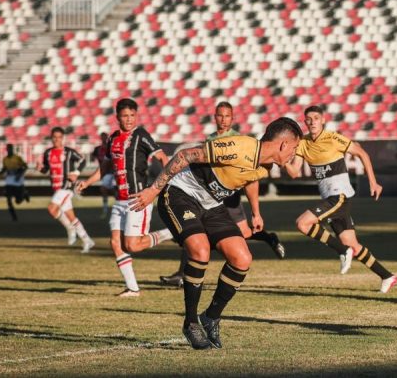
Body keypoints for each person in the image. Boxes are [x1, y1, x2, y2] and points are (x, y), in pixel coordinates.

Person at [128, 117, 303, 350]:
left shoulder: (266, 165)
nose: (294, 154)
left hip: (211, 204)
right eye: (294, 148)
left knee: (242, 258)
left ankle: (210, 317)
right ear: (283, 144)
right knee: (200, 250)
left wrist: (256, 212)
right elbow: (185, 156)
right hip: (181, 194)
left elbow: (251, 179)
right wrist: (153, 189)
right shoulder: (239, 147)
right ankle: (191, 322)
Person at [159, 101, 287, 288]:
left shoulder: (239, 140)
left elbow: (252, 176)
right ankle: (182, 273)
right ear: (215, 117)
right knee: (195, 231)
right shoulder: (210, 138)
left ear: (232, 118)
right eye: (220, 115)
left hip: (229, 195)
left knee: (242, 232)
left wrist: (255, 211)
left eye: (227, 116)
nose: (223, 119)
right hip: (207, 192)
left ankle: (268, 238)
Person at [283, 105, 397, 294]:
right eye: (308, 119)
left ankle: (342, 251)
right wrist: (282, 160)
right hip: (331, 198)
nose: (312, 122)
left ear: (323, 120)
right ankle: (387, 276)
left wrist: (373, 182)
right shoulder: (302, 143)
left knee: (302, 224)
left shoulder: (333, 138)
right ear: (304, 122)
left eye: (316, 118)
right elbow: (294, 172)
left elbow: (362, 153)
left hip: (339, 196)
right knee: (352, 244)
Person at [75, 98, 174, 297]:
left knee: (132, 245)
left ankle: (171, 232)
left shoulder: (141, 135)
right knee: (115, 243)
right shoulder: (112, 139)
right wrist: (87, 182)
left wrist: (161, 185)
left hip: (138, 198)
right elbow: (105, 167)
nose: (129, 120)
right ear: (117, 117)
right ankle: (133, 288)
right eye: (125, 116)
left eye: (132, 115)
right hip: (119, 200)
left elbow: (163, 158)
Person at [38, 127, 95, 252]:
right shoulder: (48, 153)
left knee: (51, 209)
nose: (57, 140)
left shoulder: (68, 152)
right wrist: (40, 169)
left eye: (59, 137)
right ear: (51, 138)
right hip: (56, 188)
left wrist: (76, 172)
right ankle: (87, 240)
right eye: (54, 137)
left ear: (63, 138)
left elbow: (83, 160)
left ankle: (71, 229)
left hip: (66, 187)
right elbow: (47, 170)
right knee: (70, 216)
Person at [0, 143, 29, 221]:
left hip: (18, 180)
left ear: (12, 149)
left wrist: (19, 174)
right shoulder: (5, 159)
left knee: (18, 201)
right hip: (9, 181)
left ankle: (24, 194)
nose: (9, 150)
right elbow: (4, 169)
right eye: (8, 148)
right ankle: (14, 216)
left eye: (11, 148)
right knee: (8, 199)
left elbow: (25, 167)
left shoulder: (17, 158)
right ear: (7, 149)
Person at [92, 132, 116, 219]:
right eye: (102, 137)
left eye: (105, 137)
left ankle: (106, 209)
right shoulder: (98, 149)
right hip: (103, 172)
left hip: (111, 172)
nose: (104, 139)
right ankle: (110, 207)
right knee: (110, 190)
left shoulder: (111, 148)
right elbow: (92, 157)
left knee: (104, 189)